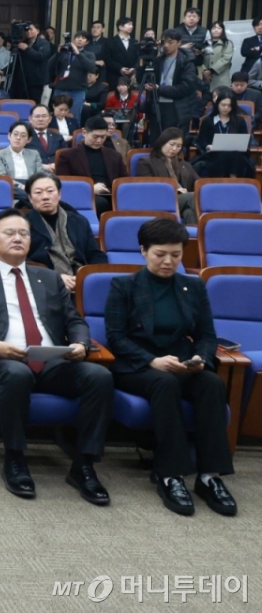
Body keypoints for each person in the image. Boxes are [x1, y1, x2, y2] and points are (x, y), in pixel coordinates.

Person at [0, 208, 113, 504]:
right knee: (17, 374)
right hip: (4, 360)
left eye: (24, 233)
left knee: (99, 376)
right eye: (10, 233)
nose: (18, 238)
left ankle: (84, 465)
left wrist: (80, 343)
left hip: (53, 361)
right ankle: (15, 459)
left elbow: (74, 321)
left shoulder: (49, 277)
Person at [103, 218, 236, 517]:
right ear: (143, 251)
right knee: (164, 383)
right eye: (160, 254)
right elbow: (116, 337)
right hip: (138, 365)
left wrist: (201, 358)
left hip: (181, 361)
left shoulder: (193, 285)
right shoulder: (124, 285)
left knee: (212, 384)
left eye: (175, 255)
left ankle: (209, 476)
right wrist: (152, 361)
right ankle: (170, 474)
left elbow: (206, 335)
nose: (168, 261)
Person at [22, 173, 107, 290]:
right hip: (42, 284)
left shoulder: (79, 221)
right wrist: (53, 277)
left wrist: (88, 277)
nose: (45, 196)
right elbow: (21, 261)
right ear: (30, 198)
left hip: (81, 282)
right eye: (38, 192)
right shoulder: (22, 225)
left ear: (59, 194)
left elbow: (95, 254)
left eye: (50, 191)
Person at [55, 116, 126, 216]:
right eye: (95, 137)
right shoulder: (68, 156)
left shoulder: (114, 156)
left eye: (103, 137)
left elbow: (124, 180)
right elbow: (64, 184)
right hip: (83, 196)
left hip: (111, 194)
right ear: (84, 133)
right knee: (101, 203)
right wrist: (90, 188)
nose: (99, 141)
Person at [143, 29, 201, 143]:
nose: (166, 45)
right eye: (164, 42)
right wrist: (142, 60)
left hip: (176, 107)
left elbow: (186, 87)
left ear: (179, 43)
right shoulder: (158, 59)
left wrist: (160, 88)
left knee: (171, 142)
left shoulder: (186, 61)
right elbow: (143, 79)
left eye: (170, 42)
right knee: (156, 141)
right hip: (157, 104)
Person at [137, 127, 198, 223]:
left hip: (180, 201)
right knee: (193, 197)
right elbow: (148, 188)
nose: (174, 149)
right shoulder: (146, 162)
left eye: (178, 146)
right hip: (160, 200)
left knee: (189, 212)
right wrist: (174, 190)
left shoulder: (184, 164)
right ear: (162, 142)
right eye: (172, 144)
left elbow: (198, 183)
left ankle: (195, 237)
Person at [194, 91, 253, 179]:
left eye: (229, 106)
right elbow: (202, 141)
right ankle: (219, 181)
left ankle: (234, 180)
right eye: (223, 105)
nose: (226, 108)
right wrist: (208, 146)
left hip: (236, 154)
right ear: (217, 104)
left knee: (235, 155)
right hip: (214, 154)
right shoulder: (207, 121)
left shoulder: (239, 121)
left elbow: (245, 141)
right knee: (220, 155)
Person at [48, 30, 97, 111]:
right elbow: (50, 66)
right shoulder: (64, 53)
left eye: (83, 38)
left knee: (74, 116)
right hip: (60, 89)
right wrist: (57, 53)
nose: (80, 39)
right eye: (78, 37)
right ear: (74, 40)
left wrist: (78, 53)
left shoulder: (89, 55)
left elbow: (90, 67)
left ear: (87, 42)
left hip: (77, 90)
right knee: (58, 114)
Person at [13, 21, 53, 102]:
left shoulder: (44, 43)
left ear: (37, 31)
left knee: (34, 102)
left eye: (31, 29)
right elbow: (17, 60)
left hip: (37, 80)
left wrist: (27, 49)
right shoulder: (23, 43)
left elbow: (40, 56)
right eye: (26, 30)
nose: (28, 32)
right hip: (23, 79)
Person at [22, 105, 64, 171]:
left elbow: (65, 156)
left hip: (56, 172)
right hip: (33, 172)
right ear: (30, 119)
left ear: (50, 119)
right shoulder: (24, 137)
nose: (40, 119)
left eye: (44, 116)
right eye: (37, 116)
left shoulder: (58, 136)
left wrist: (57, 164)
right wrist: (41, 166)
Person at [104, 16, 139, 89]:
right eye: (129, 24)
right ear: (120, 27)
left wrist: (134, 68)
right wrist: (120, 68)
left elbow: (139, 58)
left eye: (132, 25)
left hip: (131, 77)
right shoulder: (110, 41)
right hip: (115, 77)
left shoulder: (135, 42)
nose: (131, 27)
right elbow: (107, 59)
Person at [204, 21, 234, 92]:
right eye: (214, 28)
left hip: (220, 78)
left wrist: (211, 71)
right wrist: (204, 71)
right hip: (205, 77)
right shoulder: (205, 43)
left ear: (222, 30)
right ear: (210, 30)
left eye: (219, 28)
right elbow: (200, 59)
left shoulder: (227, 43)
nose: (216, 30)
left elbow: (226, 59)